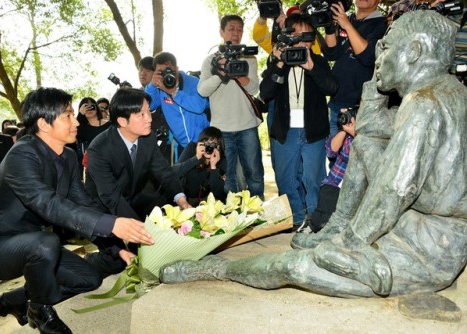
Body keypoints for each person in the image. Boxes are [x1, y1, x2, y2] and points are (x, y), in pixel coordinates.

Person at [159, 10, 467, 299]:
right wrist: (376, 81)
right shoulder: (447, 90)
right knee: (363, 144)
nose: (378, 53)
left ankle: (220, 269)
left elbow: (397, 189)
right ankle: (336, 226)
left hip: (427, 249)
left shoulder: (425, 103)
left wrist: (350, 245)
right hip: (427, 227)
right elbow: (371, 130)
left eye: (386, 47)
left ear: (413, 52)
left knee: (293, 265)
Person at [0, 87, 154, 333]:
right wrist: (114, 224)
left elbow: (84, 203)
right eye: (67, 115)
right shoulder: (21, 155)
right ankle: (40, 311)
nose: (76, 121)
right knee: (46, 242)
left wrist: (118, 249)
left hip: (37, 245)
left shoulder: (67, 157)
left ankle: (20, 298)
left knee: (89, 279)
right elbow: (48, 204)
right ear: (44, 124)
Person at [84, 87, 191, 277]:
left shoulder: (147, 137)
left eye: (148, 111)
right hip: (103, 208)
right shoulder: (99, 149)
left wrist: (182, 201)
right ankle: (90, 260)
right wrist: (142, 231)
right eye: (141, 114)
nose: (149, 118)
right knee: (118, 261)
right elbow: (111, 197)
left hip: (131, 198)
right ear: (122, 121)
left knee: (161, 211)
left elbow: (164, 172)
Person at [260, 13, 339, 229]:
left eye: (306, 36)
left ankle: (315, 222)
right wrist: (278, 64)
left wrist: (312, 67)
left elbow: (331, 88)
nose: (302, 41)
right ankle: (297, 220)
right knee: (286, 180)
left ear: (312, 39)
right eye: (295, 36)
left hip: (312, 130)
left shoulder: (319, 61)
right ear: (287, 38)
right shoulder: (278, 62)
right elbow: (265, 92)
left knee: (313, 179)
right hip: (287, 131)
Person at [198, 14, 265, 199]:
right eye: (231, 29)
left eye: (240, 29)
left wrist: (237, 73)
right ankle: (231, 218)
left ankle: (260, 216)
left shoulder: (249, 58)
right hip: (221, 129)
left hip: (247, 126)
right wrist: (220, 74)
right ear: (221, 32)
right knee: (228, 178)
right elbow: (202, 90)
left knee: (255, 175)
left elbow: (254, 88)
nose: (236, 33)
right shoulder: (210, 61)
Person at [323, 0, 387, 136]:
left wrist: (346, 25)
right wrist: (329, 26)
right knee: (334, 154)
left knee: (357, 154)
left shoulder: (382, 23)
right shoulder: (347, 18)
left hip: (361, 107)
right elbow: (331, 53)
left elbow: (368, 56)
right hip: (336, 101)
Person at [145, 52, 210, 152]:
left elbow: (199, 107)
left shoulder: (193, 82)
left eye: (168, 70)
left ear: (177, 68)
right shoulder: (160, 88)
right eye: (160, 72)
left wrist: (174, 93)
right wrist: (152, 86)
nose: (165, 74)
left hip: (203, 141)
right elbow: (149, 105)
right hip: (181, 145)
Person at [309, 108, 356, 232]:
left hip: (356, 187)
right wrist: (345, 130)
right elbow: (331, 151)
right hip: (336, 182)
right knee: (320, 222)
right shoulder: (345, 134)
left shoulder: (371, 136)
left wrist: (356, 132)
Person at [172, 126, 227, 206]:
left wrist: (213, 167)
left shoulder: (221, 160)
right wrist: (196, 158)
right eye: (206, 143)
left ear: (219, 147)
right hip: (184, 201)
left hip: (207, 204)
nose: (209, 147)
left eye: (214, 144)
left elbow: (218, 193)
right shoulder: (192, 148)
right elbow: (173, 173)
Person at [138, 55, 172, 164]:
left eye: (147, 71)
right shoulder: (135, 94)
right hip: (142, 146)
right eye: (141, 70)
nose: (143, 73)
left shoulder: (165, 92)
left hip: (165, 146)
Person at [76, 97, 111, 176]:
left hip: (111, 162)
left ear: (97, 108)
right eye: (85, 107)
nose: (89, 109)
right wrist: (80, 114)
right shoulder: (83, 129)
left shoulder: (110, 125)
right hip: (94, 165)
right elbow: (76, 132)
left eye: (92, 106)